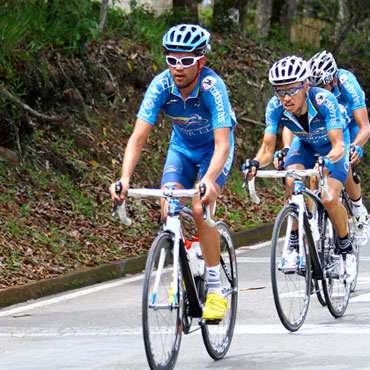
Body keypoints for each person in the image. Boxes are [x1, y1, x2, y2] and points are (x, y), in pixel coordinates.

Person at [109, 24, 236, 320]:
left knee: (199, 207)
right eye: (172, 59)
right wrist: (124, 178)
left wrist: (206, 181)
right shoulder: (161, 85)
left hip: (213, 151)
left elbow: (222, 146)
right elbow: (138, 137)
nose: (178, 67)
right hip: (182, 148)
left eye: (186, 60)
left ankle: (216, 288)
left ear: (201, 61)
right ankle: (182, 267)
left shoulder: (212, 88)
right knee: (168, 208)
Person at [244, 55, 357, 282]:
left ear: (306, 86)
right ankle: (295, 242)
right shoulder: (275, 106)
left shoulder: (324, 100)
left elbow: (338, 146)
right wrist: (256, 162)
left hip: (333, 148)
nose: (285, 97)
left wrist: (327, 161)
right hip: (304, 144)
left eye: (291, 90)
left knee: (329, 198)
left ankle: (346, 248)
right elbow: (267, 148)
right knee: (291, 179)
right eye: (279, 91)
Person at [308, 50, 370, 247]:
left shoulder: (346, 83)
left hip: (349, 124)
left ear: (334, 80)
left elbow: (365, 127)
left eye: (323, 86)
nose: (319, 92)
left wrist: (356, 146)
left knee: (346, 159)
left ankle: (359, 210)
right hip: (327, 125)